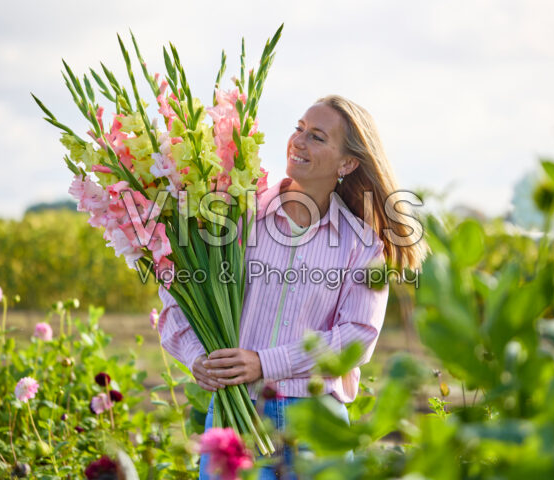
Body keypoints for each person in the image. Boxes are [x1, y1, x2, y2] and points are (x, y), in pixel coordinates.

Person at [157, 94, 429, 479]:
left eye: (317, 137)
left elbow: (357, 337)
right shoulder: (238, 214)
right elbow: (175, 288)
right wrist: (199, 357)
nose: (298, 141)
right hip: (236, 417)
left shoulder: (362, 245)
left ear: (347, 163)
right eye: (299, 129)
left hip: (315, 427)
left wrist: (265, 362)